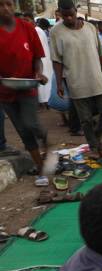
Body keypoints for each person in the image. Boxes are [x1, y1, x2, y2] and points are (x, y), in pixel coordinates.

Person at [51, 0, 102, 160]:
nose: (69, 18)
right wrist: (59, 83)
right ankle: (94, 147)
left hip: (96, 79)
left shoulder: (91, 28)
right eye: (65, 16)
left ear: (75, 11)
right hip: (76, 81)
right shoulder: (56, 31)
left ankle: (97, 141)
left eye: (71, 14)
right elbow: (56, 60)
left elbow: (101, 54)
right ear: (59, 13)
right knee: (85, 119)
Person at [0, 0, 48, 186]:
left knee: (30, 123)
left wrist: (39, 73)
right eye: (1, 4)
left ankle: (43, 135)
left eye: (9, 4)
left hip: (28, 87)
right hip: (4, 91)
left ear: (14, 6)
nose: (5, 8)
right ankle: (41, 170)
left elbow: (37, 58)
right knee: (22, 131)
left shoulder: (27, 28)